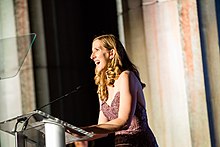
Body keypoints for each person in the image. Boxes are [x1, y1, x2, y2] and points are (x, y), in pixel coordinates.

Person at [76, 34, 158, 147]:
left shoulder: (126, 76)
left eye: (96, 50)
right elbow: (102, 129)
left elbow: (124, 122)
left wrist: (82, 130)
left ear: (111, 53)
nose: (92, 56)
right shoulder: (102, 86)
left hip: (139, 143)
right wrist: (75, 135)